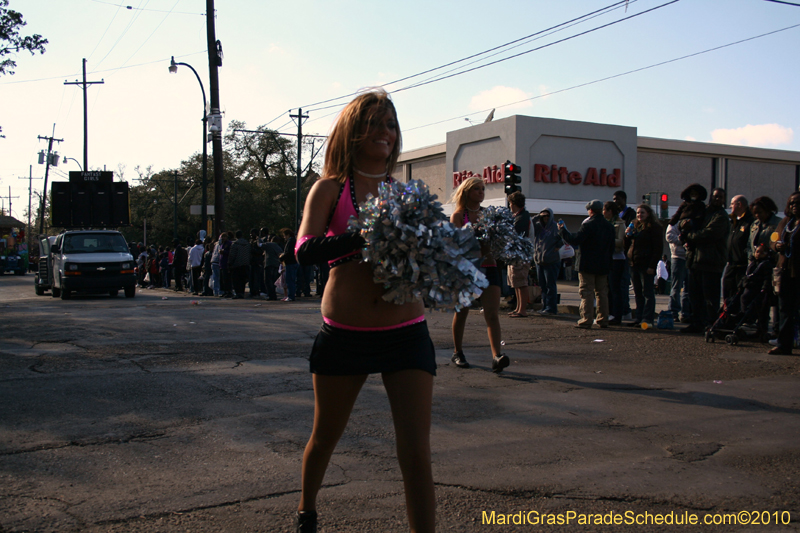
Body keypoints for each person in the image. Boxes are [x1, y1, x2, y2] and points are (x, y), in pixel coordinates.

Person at [293, 90, 435, 533]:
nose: (385, 133)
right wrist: (360, 238)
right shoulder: (330, 189)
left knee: (416, 450)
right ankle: (307, 511)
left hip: (406, 330)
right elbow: (303, 250)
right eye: (374, 123)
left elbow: (427, 256)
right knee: (324, 438)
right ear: (354, 131)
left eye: (390, 125)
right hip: (346, 333)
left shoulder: (405, 193)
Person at [450, 177, 509, 373]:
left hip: (489, 267)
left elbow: (499, 241)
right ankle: (458, 352)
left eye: (483, 189)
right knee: (462, 311)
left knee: (492, 313)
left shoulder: (489, 215)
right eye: (476, 189)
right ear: (466, 192)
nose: (481, 192)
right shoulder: (458, 216)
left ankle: (496, 356)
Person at [558, 199, 615, 329]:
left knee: (587, 292)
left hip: (587, 263)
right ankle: (603, 318)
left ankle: (587, 318)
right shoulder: (609, 227)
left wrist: (562, 230)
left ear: (590, 210)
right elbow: (611, 247)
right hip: (603, 264)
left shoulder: (588, 225)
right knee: (602, 292)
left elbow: (575, 239)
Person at [681, 188, 731, 334]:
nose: (717, 199)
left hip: (711, 262)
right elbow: (685, 218)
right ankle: (696, 322)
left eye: (720, 197)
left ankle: (710, 323)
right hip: (695, 259)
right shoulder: (703, 211)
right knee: (694, 295)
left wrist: (689, 235)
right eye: (715, 197)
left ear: (723, 200)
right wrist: (684, 224)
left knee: (710, 297)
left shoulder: (721, 216)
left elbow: (709, 234)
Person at [769, 192, 800, 355]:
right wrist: (776, 246)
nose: (794, 206)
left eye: (798, 203)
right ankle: (784, 344)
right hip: (785, 271)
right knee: (784, 309)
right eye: (792, 203)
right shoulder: (786, 222)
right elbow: (773, 237)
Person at [624, 204, 663, 327]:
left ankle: (648, 319)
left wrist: (652, 265)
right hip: (634, 263)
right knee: (637, 292)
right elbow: (629, 244)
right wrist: (627, 235)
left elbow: (658, 248)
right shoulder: (635, 226)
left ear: (648, 214)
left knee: (647, 292)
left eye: (642, 213)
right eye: (638, 213)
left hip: (646, 264)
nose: (640, 215)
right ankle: (639, 317)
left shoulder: (654, 227)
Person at [531, 207, 563, 316]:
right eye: (543, 216)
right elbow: (530, 222)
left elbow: (564, 236)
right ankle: (545, 306)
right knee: (542, 286)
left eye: (547, 216)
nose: (545, 218)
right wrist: (538, 216)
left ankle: (551, 308)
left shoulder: (555, 226)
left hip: (551, 260)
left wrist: (557, 247)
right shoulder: (538, 226)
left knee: (550, 286)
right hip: (539, 260)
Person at [723, 195, 754, 300]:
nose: (730, 206)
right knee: (727, 290)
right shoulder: (733, 221)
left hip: (743, 265)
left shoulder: (749, 221)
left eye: (732, 204)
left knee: (740, 295)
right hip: (731, 263)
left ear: (739, 204)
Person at [507, 191, 532, 317]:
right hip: (516, 254)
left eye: (510, 203)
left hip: (521, 254)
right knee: (516, 281)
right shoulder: (518, 216)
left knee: (521, 281)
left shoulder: (522, 218)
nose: (509, 206)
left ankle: (522, 309)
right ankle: (518, 307)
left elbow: (516, 235)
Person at [613, 190, 635, 319]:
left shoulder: (629, 215)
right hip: (616, 255)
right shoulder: (615, 216)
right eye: (614, 199)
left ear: (624, 199)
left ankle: (625, 310)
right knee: (615, 285)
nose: (616, 202)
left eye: (618, 199)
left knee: (623, 283)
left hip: (625, 254)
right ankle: (618, 310)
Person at [666, 213, 691, 323]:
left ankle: (686, 313)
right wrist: (682, 240)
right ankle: (673, 311)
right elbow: (669, 236)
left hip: (690, 257)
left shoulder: (694, 220)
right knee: (676, 285)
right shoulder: (675, 222)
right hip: (678, 257)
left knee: (688, 287)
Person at [604, 201, 626, 324]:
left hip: (617, 258)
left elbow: (621, 242)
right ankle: (609, 313)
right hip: (607, 258)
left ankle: (617, 315)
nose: (603, 212)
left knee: (615, 288)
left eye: (604, 210)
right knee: (607, 288)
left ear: (610, 211)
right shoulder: (605, 223)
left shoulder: (620, 224)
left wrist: (608, 240)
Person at [227, 230, 251, 299]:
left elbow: (232, 255)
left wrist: (229, 263)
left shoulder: (235, 244)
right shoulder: (247, 244)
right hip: (246, 264)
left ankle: (238, 293)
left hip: (237, 264)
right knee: (243, 280)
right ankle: (242, 293)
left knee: (236, 280)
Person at [280, 228, 298, 302]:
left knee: (289, 280)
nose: (284, 237)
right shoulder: (294, 241)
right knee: (292, 280)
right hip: (294, 262)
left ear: (288, 235)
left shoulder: (290, 242)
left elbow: (288, 253)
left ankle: (290, 296)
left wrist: (282, 258)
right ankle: (291, 295)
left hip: (290, 262)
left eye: (285, 235)